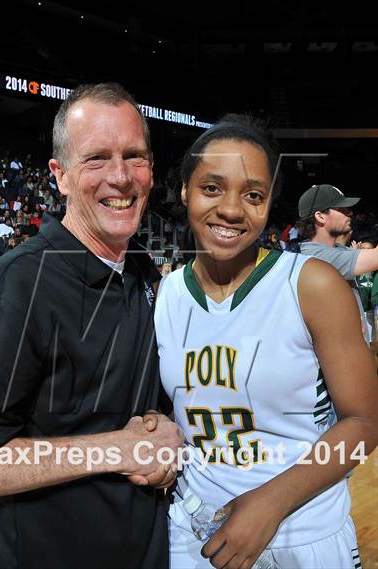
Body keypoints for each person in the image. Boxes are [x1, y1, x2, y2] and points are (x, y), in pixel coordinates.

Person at [0, 83, 184, 569]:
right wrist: (111, 451)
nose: (121, 177)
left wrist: (166, 429)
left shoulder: (143, 270)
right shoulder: (14, 288)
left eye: (135, 156)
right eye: (97, 159)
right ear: (59, 176)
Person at [154, 115, 377, 568]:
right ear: (184, 190)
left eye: (253, 194)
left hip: (302, 531)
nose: (233, 209)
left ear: (269, 201)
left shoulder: (311, 284)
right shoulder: (168, 294)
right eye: (212, 188)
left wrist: (270, 503)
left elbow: (366, 426)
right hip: (193, 533)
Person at [297, 184, 378, 342]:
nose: (350, 213)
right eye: (342, 209)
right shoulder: (316, 257)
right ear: (320, 217)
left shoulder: (336, 250)